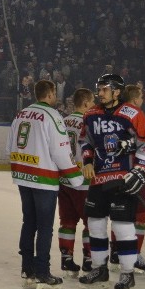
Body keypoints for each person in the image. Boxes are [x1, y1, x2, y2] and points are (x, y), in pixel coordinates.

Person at [78, 73, 145, 289]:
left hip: (123, 179)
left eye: (104, 89)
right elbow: (85, 141)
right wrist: (87, 160)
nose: (99, 93)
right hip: (100, 177)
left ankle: (127, 273)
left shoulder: (133, 114)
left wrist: (140, 172)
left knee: (122, 226)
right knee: (95, 223)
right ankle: (99, 268)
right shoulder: (91, 115)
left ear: (117, 91)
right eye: (99, 89)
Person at [7, 80, 83, 289]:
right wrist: (76, 179)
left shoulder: (20, 114)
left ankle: (27, 268)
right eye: (55, 92)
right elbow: (61, 152)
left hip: (23, 176)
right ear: (50, 94)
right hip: (44, 179)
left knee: (28, 221)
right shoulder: (52, 116)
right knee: (45, 226)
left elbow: (9, 147)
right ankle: (42, 272)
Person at [108, 84, 145, 273]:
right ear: (135, 99)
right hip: (133, 173)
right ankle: (133, 254)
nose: (142, 101)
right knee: (140, 214)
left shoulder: (114, 112)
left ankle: (115, 251)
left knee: (119, 213)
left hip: (113, 172)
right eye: (141, 98)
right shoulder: (134, 114)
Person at [57, 88, 93, 275]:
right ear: (86, 103)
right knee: (91, 222)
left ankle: (66, 258)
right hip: (84, 180)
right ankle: (89, 259)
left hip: (64, 179)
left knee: (67, 221)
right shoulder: (88, 122)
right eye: (92, 102)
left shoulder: (63, 121)